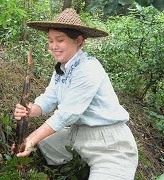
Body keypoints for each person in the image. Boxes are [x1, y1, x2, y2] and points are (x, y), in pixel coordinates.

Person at [13, 8, 138, 180]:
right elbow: (50, 98)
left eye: (60, 40)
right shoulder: (61, 69)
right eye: (50, 41)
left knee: (37, 140)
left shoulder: (88, 68)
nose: (53, 46)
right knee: (44, 146)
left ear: (78, 41)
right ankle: (64, 171)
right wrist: (31, 109)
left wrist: (32, 137)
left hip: (110, 144)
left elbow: (67, 114)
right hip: (78, 135)